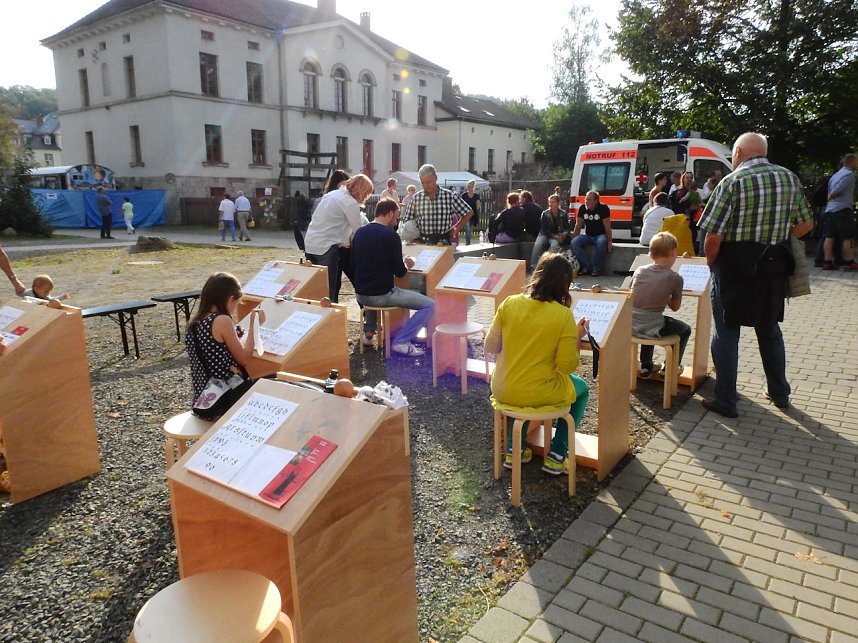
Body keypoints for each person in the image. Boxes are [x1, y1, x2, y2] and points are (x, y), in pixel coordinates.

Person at [697, 132, 814, 417]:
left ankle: (726, 400)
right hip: (773, 267)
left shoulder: (732, 181)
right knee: (769, 328)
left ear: (737, 153)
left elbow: (713, 235)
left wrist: (711, 264)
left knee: (726, 332)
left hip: (734, 269)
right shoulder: (788, 177)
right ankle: (780, 393)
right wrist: (775, 238)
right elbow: (806, 225)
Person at [485, 252, 590, 475]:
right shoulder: (563, 315)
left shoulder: (509, 303)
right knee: (581, 389)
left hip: (503, 387)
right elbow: (567, 366)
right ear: (565, 284)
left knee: (520, 387)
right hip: (539, 391)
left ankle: (516, 449)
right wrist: (577, 337)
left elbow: (490, 346)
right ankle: (558, 453)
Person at [351, 198, 435, 357]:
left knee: (373, 287)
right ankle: (402, 341)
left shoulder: (359, 233)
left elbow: (354, 264)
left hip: (361, 295)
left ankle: (369, 333)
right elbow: (400, 272)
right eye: (396, 216)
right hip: (382, 295)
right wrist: (409, 263)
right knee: (430, 305)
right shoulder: (391, 236)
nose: (396, 221)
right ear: (389, 214)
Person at [185, 273, 264, 419]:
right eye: (236, 302)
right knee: (276, 383)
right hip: (224, 399)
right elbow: (244, 358)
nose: (235, 308)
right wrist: (255, 325)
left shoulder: (195, 322)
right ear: (229, 299)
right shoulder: (221, 320)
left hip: (203, 399)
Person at [630, 232, 691, 378]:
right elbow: (675, 307)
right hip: (652, 325)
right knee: (684, 329)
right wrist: (667, 296)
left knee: (649, 321)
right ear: (673, 252)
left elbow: (632, 294)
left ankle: (646, 367)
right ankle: (670, 368)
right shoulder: (675, 278)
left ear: (650, 254)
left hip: (631, 323)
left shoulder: (640, 270)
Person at [304, 174, 373, 303]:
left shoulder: (333, 195)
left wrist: (344, 241)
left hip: (310, 244)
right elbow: (358, 231)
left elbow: (332, 223)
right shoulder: (350, 203)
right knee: (328, 292)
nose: (366, 197)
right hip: (326, 248)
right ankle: (331, 320)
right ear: (361, 190)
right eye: (366, 194)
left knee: (314, 290)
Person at [400, 164, 472, 245]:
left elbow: (468, 212)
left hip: (443, 242)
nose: (426, 186)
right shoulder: (416, 198)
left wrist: (455, 228)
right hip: (422, 243)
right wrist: (414, 237)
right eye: (423, 183)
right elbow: (407, 219)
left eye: (429, 182)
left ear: (436, 178)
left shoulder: (449, 196)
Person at [821, 152, 858, 271]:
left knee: (829, 235)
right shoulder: (849, 174)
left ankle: (827, 261)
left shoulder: (835, 175)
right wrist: (832, 195)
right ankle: (850, 261)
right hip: (842, 209)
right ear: (851, 162)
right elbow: (839, 188)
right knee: (848, 236)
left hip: (830, 209)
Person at [571, 190, 612, 276]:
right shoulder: (582, 208)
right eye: (586, 199)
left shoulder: (603, 209)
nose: (586, 201)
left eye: (589, 199)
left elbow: (607, 227)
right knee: (575, 242)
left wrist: (609, 242)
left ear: (596, 201)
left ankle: (596, 268)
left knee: (601, 242)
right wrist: (573, 238)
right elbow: (578, 226)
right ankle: (586, 266)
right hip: (588, 235)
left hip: (600, 235)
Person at [530, 194, 571, 267]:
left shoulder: (563, 214)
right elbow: (544, 229)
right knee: (538, 244)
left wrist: (565, 233)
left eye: (553, 202)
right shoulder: (545, 214)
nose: (551, 204)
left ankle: (546, 264)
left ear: (558, 203)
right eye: (550, 202)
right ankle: (533, 265)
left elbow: (567, 227)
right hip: (545, 234)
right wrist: (554, 236)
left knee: (555, 245)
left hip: (557, 235)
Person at [460, 180, 481, 245]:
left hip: (473, 214)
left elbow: (478, 205)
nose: (469, 187)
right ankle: (468, 242)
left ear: (473, 187)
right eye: (468, 186)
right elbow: (461, 204)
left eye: (470, 186)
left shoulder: (476, 196)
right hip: (466, 214)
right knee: (467, 228)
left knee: (471, 229)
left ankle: (468, 241)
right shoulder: (464, 195)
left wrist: (477, 205)